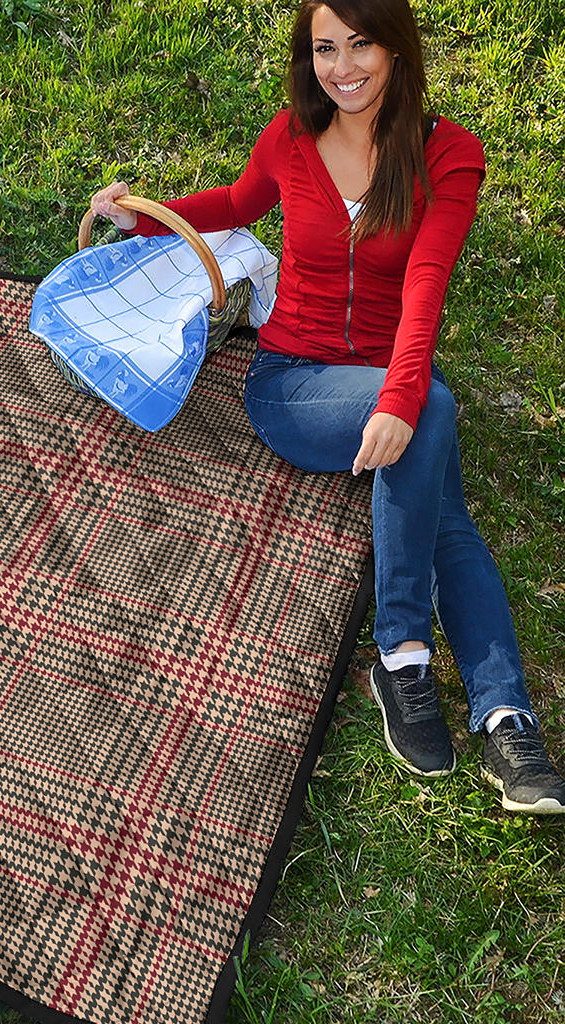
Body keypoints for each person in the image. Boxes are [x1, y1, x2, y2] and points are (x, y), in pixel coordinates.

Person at [89, 0, 564, 814]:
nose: (342, 67)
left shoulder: (448, 155)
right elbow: (236, 205)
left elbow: (426, 284)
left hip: (385, 373)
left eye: (361, 44)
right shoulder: (290, 137)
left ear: (397, 48)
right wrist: (144, 220)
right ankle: (412, 656)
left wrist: (402, 397)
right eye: (324, 48)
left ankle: (498, 713)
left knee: (439, 476)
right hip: (291, 383)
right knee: (434, 421)